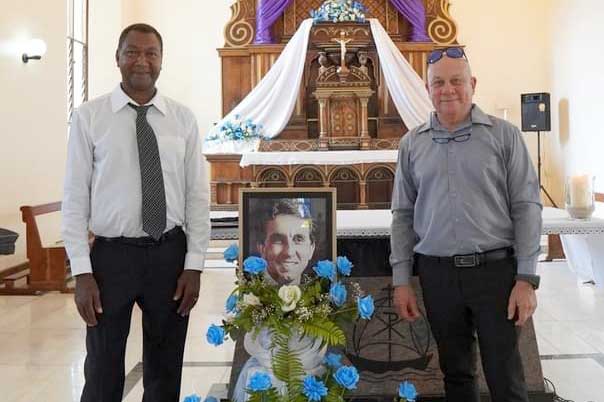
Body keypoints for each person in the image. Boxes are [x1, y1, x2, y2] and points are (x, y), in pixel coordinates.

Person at [61, 23, 210, 402]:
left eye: (150, 53)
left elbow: (197, 197)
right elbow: (75, 197)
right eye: (132, 52)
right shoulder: (89, 117)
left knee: (165, 367)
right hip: (112, 257)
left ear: (161, 61)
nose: (141, 61)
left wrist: (193, 265)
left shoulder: (183, 119)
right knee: (102, 368)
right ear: (118, 57)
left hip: (169, 254)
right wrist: (82, 272)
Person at [390, 47, 542, 402]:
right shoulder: (412, 144)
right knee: (456, 375)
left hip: (496, 276)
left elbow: (527, 207)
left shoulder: (504, 136)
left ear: (472, 83)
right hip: (437, 275)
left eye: (456, 80)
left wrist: (526, 278)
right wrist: (401, 281)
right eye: (438, 82)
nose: (448, 90)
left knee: (505, 375)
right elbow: (402, 216)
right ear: (428, 89)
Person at [254, 199, 317, 285]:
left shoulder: (325, 295)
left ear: (311, 248)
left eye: (298, 239)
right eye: (278, 241)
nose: (289, 252)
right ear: (262, 248)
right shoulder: (242, 297)